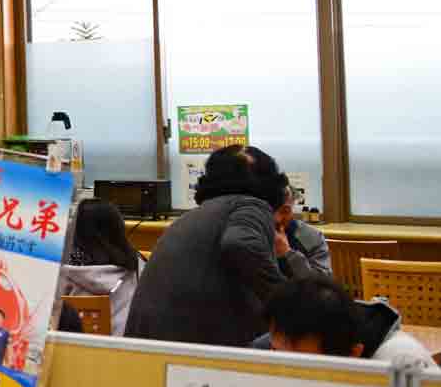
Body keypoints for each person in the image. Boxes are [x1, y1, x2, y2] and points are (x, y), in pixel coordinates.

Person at [124, 144, 308, 346]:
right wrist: (287, 302)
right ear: (272, 184)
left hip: (146, 345)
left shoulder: (194, 216)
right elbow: (239, 244)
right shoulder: (251, 206)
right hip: (188, 349)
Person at [256, 274, 436, 368]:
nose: (282, 369)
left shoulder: (404, 367)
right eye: (276, 351)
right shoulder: (270, 346)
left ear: (353, 354)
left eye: (302, 364)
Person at [59, 199, 146, 332]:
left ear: (75, 229)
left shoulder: (58, 270)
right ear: (118, 228)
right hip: (128, 341)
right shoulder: (139, 265)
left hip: (73, 342)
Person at [274, 195, 331, 275]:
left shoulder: (310, 236)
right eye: (271, 211)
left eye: (285, 211)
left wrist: (288, 254)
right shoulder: (256, 235)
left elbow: (322, 279)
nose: (277, 219)